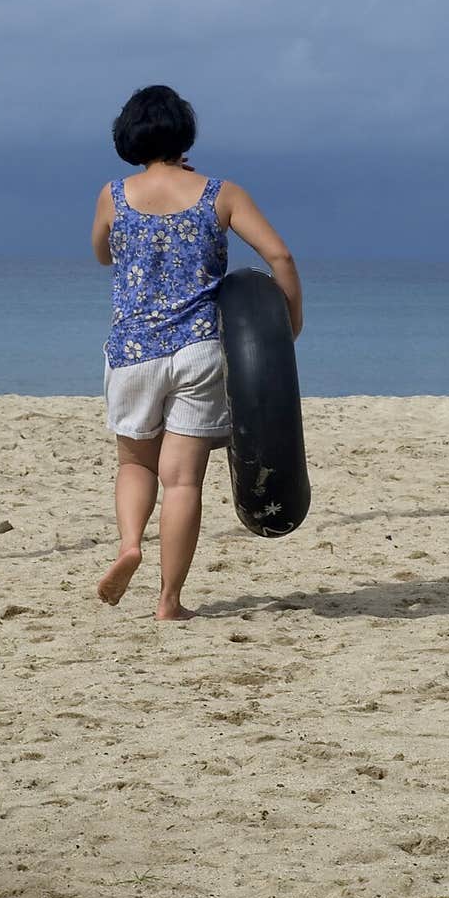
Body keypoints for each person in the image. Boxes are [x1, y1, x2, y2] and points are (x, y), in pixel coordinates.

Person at [91, 84, 303, 620]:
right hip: (199, 350)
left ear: (129, 135)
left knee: (135, 462)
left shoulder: (114, 194)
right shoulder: (220, 193)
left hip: (133, 351)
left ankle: (130, 546)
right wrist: (286, 324)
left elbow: (100, 252)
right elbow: (279, 254)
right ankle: (169, 602)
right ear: (185, 133)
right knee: (182, 478)